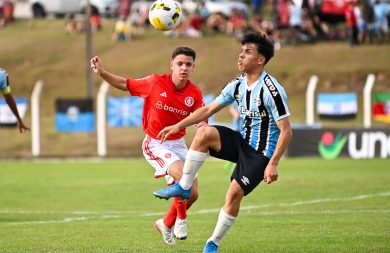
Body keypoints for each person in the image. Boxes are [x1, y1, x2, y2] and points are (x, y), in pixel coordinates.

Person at [153, 33, 293, 253]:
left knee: (234, 194)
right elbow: (208, 110)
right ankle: (184, 186)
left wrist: (273, 163)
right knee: (204, 133)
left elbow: (286, 131)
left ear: (260, 60)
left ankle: (212, 243)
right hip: (242, 142)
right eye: (241, 51)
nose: (240, 56)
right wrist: (179, 126)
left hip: (261, 153)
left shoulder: (271, 90)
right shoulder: (237, 84)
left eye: (247, 52)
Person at [90, 47, 205, 245]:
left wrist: (203, 127)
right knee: (182, 175)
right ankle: (181, 221)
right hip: (156, 143)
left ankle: (166, 223)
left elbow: (201, 118)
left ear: (193, 67)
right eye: (179, 64)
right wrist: (102, 72)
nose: (183, 68)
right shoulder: (155, 82)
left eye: (188, 64)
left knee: (193, 194)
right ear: (172, 65)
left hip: (178, 144)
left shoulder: (194, 93)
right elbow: (124, 84)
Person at [0, 67, 30, 133]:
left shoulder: (1, 75)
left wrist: (18, 118)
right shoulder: (2, 74)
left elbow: (9, 98)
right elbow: (9, 98)